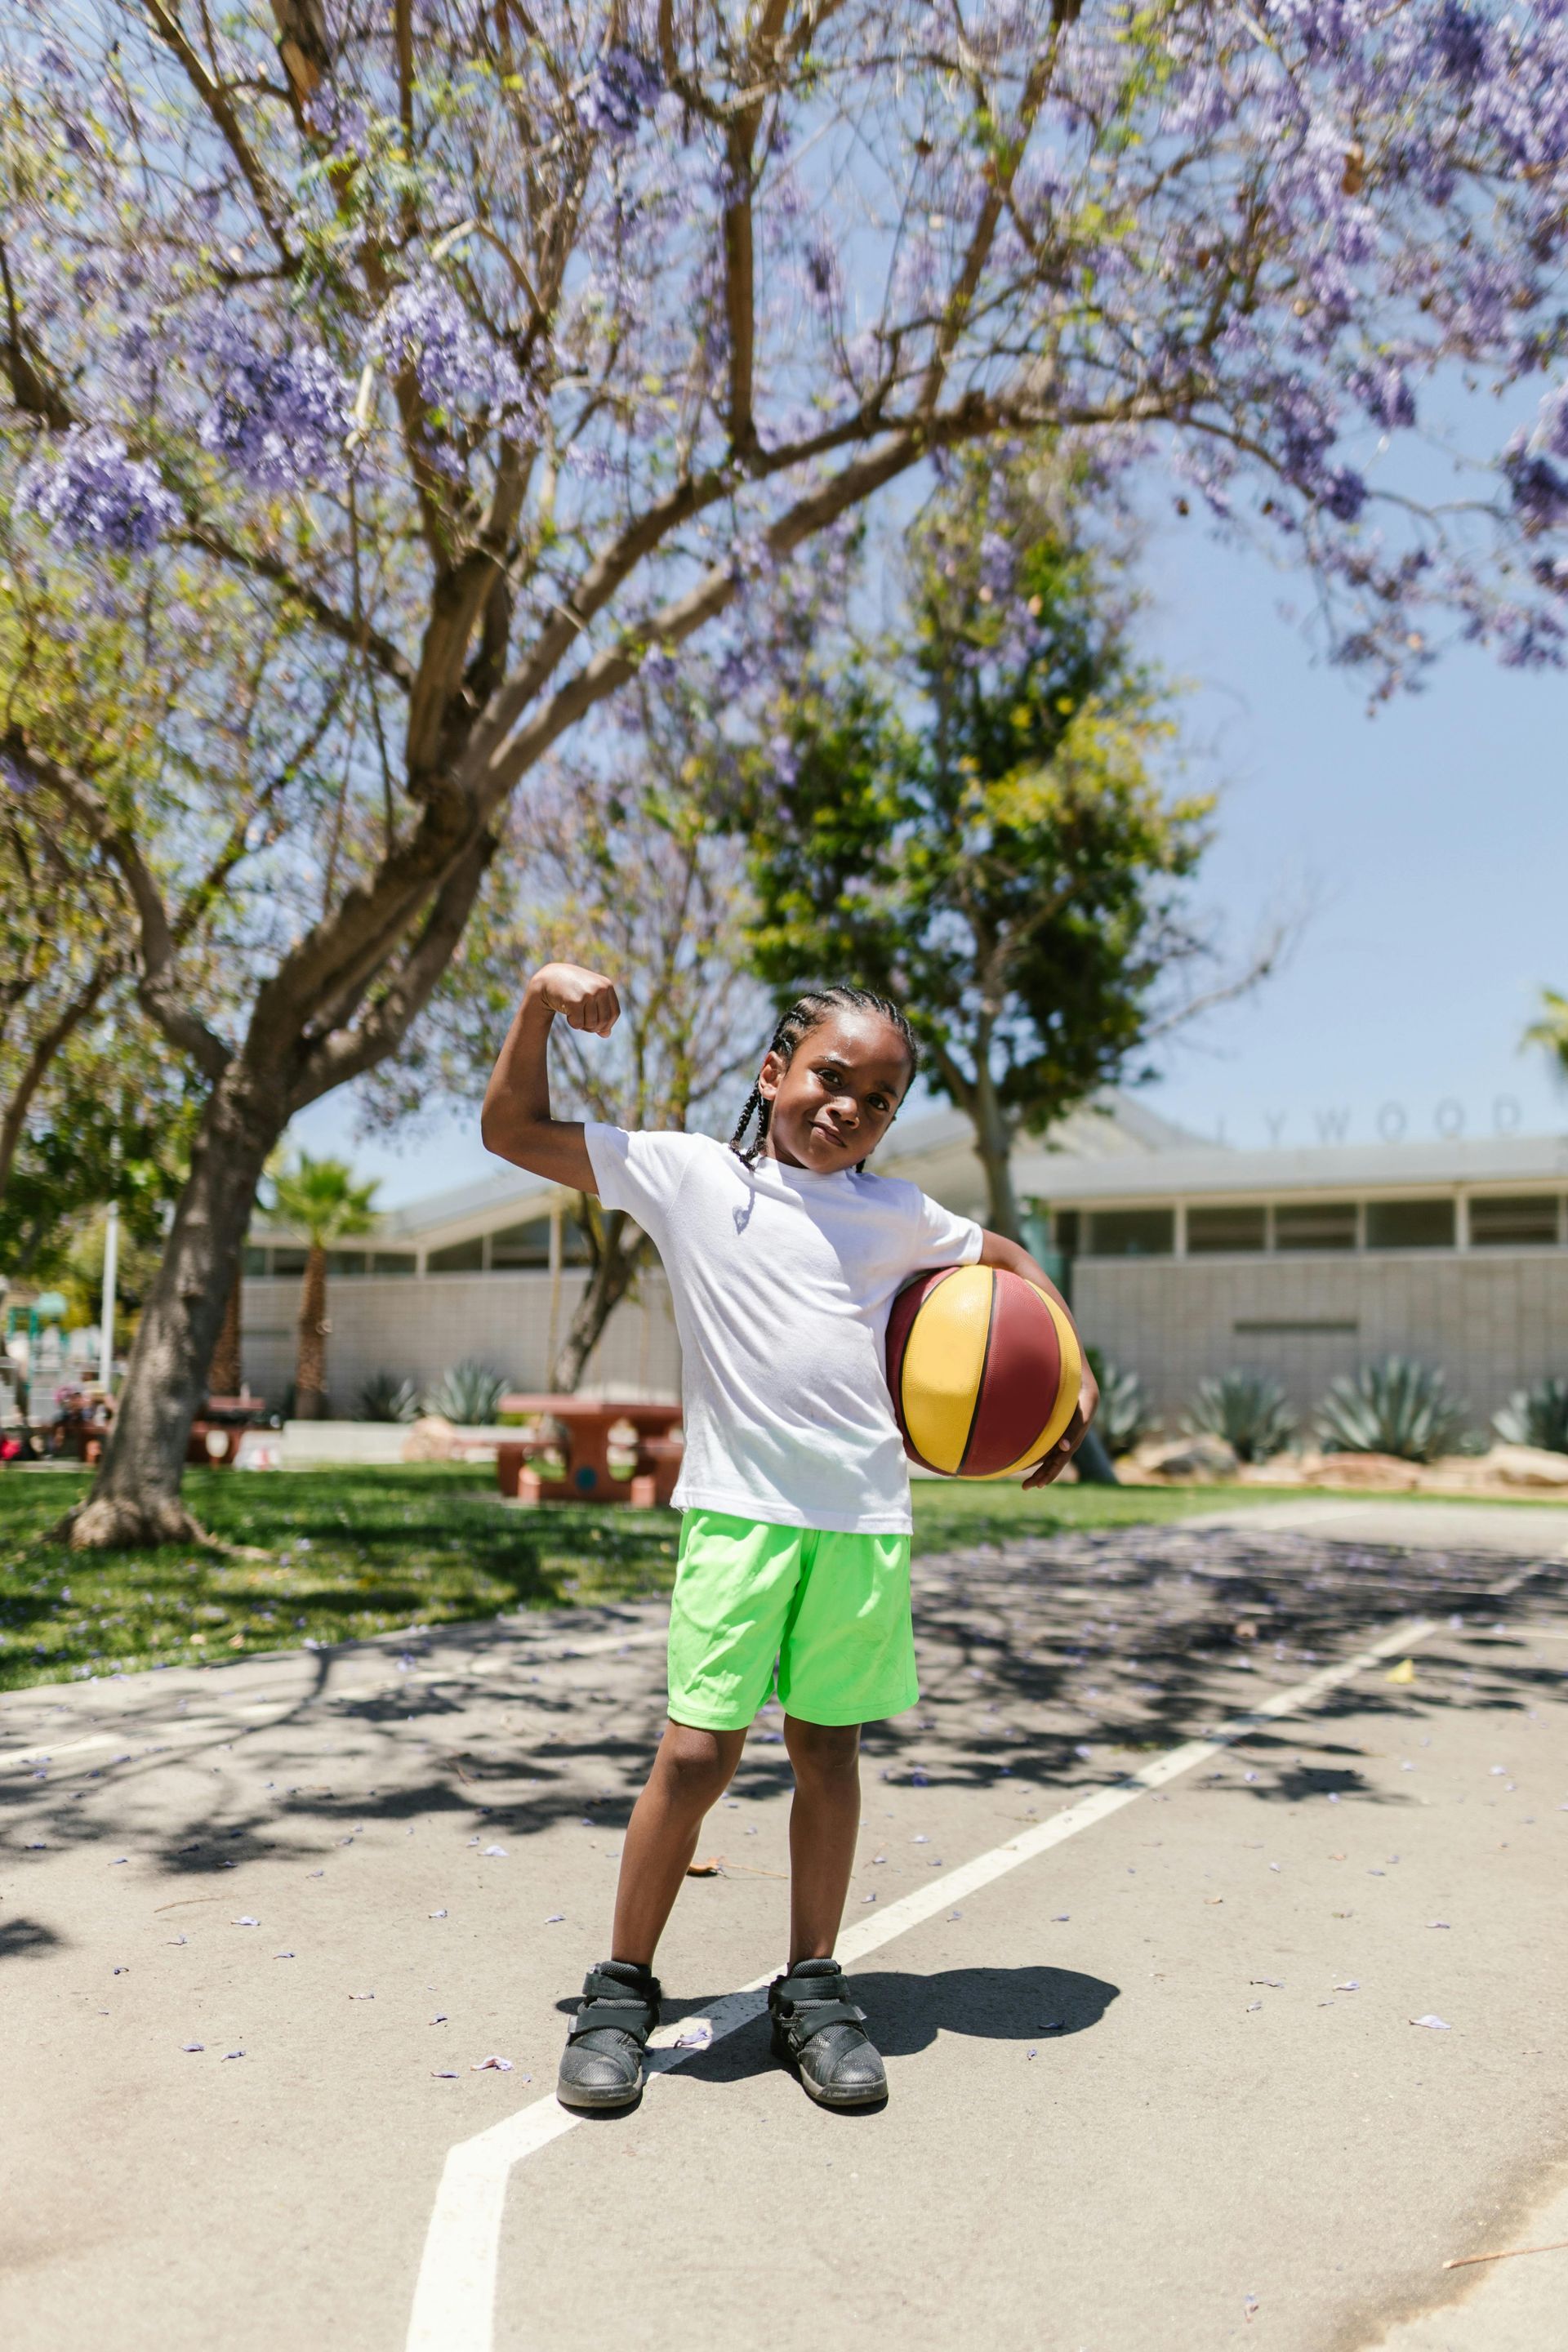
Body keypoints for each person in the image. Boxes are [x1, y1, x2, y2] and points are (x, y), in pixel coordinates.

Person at [480, 962, 1098, 2111]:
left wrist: (1070, 1373)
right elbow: (510, 1128)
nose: (849, 1108)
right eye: (830, 1077)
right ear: (773, 1074)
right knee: (697, 1756)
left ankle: (811, 1988)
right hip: (737, 1519)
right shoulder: (693, 1177)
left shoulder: (899, 1217)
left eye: (879, 1096)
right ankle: (622, 1991)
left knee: (828, 1752)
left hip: (860, 1524)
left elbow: (1007, 1263)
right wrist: (536, 1003)